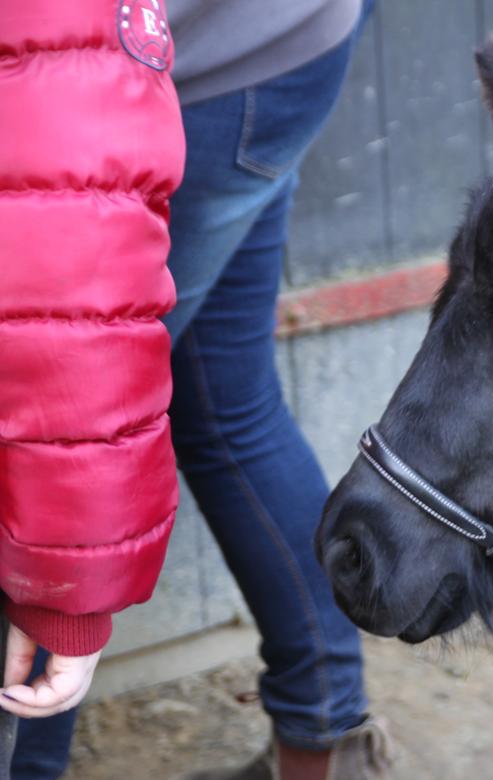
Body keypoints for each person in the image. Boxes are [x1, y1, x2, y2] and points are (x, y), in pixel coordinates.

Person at [2, 1, 392, 778]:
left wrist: (61, 608)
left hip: (177, 77)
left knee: (47, 425)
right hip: (274, 39)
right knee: (228, 403)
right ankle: (324, 741)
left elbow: (72, 375)